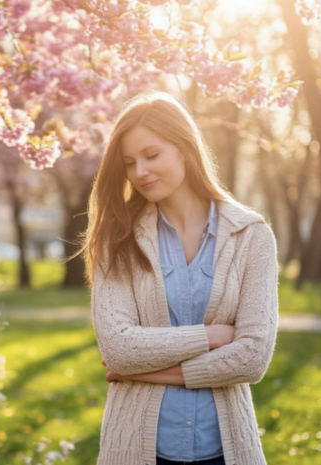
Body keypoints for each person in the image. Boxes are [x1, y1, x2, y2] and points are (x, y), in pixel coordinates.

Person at [75, 91, 279, 465]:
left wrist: (149, 373)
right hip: (137, 450)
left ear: (185, 148)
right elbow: (118, 349)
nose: (140, 172)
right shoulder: (116, 238)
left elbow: (252, 359)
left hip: (226, 449)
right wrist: (211, 336)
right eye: (129, 162)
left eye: (152, 155)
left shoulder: (252, 236)